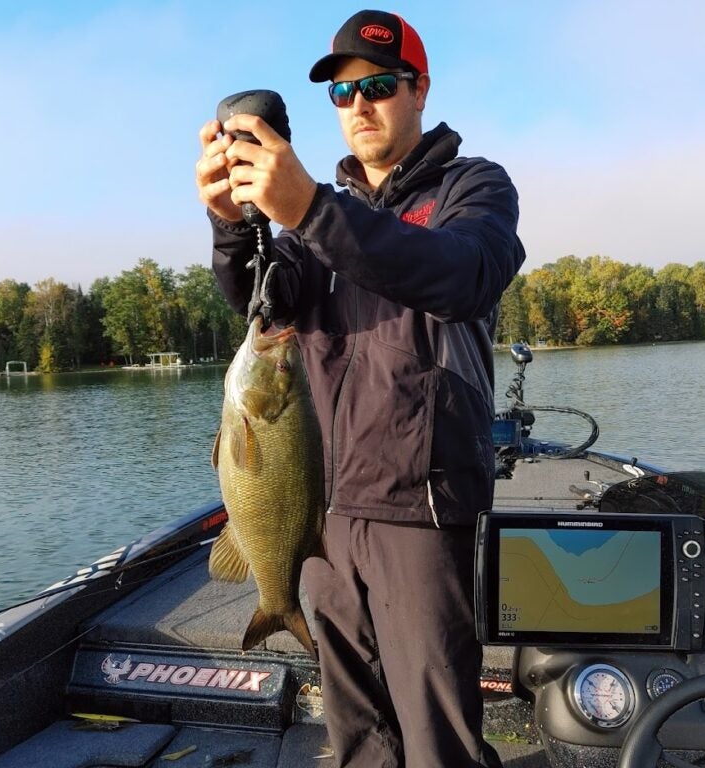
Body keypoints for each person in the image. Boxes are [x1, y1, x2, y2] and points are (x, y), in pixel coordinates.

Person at [195, 9, 525, 767]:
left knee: (437, 735)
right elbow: (261, 298)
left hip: (424, 511)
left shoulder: (473, 188)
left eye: (378, 86)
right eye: (343, 94)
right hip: (323, 513)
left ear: (420, 90)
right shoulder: (317, 221)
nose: (359, 106)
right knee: (357, 733)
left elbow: (462, 275)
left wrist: (311, 209)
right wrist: (231, 222)